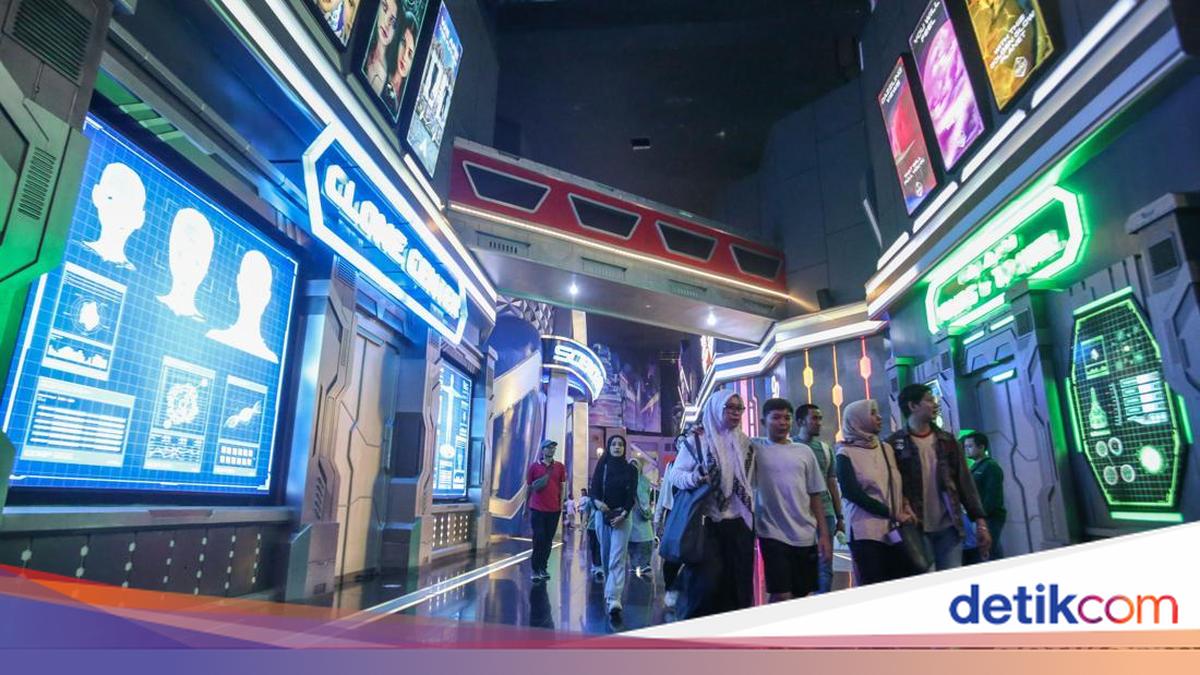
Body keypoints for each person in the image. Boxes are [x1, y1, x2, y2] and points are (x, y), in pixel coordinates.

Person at [669, 389, 755, 618]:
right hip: (706, 524)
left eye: (739, 408)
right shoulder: (698, 440)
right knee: (705, 587)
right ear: (716, 409)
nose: (736, 413)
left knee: (737, 587)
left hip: (740, 523)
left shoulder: (745, 443)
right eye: (730, 407)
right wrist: (694, 478)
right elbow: (675, 475)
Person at [886, 384, 990, 571]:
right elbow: (891, 487)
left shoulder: (947, 441)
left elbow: (964, 483)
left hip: (949, 527)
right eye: (929, 400)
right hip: (915, 528)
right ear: (913, 406)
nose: (935, 404)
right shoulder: (894, 444)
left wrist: (980, 522)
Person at [751, 398, 831, 603]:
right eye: (776, 417)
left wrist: (823, 534)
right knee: (781, 593)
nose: (782, 423)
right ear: (763, 422)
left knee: (800, 594)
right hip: (772, 533)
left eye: (786, 418)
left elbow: (815, 494)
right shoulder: (755, 448)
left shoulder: (804, 452)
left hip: (805, 534)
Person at [835, 399, 918, 585]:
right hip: (865, 532)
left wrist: (905, 505)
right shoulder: (845, 453)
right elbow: (853, 493)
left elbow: (895, 482)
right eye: (872, 413)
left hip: (893, 529)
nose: (879, 417)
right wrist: (891, 512)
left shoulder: (885, 448)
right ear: (857, 420)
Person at [794, 403, 844, 593]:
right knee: (801, 561)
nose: (819, 422)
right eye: (814, 418)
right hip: (799, 514)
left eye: (820, 418)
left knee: (825, 563)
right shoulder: (790, 447)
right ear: (801, 421)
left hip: (826, 513)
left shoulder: (825, 449)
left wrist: (839, 517)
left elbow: (832, 484)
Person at [590, 435, 638, 620]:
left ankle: (614, 598)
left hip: (623, 517)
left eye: (620, 445)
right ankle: (610, 590)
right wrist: (597, 503)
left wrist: (623, 515)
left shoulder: (631, 469)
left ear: (624, 448)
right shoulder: (602, 466)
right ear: (609, 447)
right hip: (602, 516)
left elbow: (631, 495)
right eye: (614, 444)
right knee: (605, 555)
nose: (617, 447)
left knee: (617, 558)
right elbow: (594, 489)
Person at [525, 440, 566, 582]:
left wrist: (561, 505)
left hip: (554, 510)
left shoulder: (560, 467)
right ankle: (535, 569)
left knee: (548, 540)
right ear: (542, 450)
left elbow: (562, 486)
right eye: (548, 447)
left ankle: (543, 567)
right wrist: (525, 507)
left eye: (553, 447)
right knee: (539, 538)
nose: (551, 450)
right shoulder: (534, 467)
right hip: (537, 509)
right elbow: (529, 488)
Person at [963, 431, 1006, 562]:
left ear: (981, 447)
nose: (967, 450)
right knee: (992, 551)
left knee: (987, 551)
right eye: (965, 447)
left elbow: (992, 496)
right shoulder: (975, 467)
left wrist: (981, 516)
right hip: (978, 517)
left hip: (990, 517)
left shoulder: (990, 467)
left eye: (970, 446)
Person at [653, 457, 680, 609]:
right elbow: (664, 493)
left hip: (695, 512)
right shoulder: (672, 465)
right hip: (673, 512)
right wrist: (657, 519)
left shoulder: (700, 461)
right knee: (671, 555)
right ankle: (670, 589)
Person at [628, 458, 655, 577]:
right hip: (629, 513)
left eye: (636, 464)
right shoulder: (625, 480)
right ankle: (634, 565)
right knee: (632, 540)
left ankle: (644, 564)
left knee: (646, 538)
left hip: (643, 513)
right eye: (632, 464)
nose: (634, 466)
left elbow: (646, 496)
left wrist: (646, 509)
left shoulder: (645, 481)